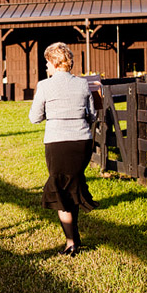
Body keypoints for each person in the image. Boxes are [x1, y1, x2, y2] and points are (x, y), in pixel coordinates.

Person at [29, 42, 98, 257]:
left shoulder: (45, 86)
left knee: (61, 190)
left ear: (53, 61)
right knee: (72, 186)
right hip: (81, 142)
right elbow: (93, 115)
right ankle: (74, 237)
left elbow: (34, 118)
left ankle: (71, 242)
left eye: (46, 63)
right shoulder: (83, 85)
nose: (46, 67)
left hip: (58, 142)